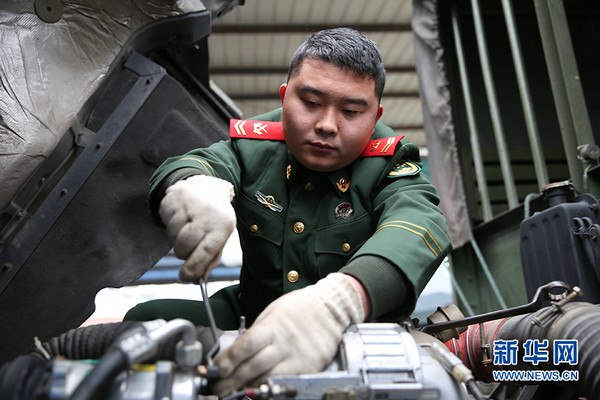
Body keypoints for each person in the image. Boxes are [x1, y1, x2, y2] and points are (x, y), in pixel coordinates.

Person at [124, 27, 451, 394]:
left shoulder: (389, 162)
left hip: (362, 326)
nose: (327, 125)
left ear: (375, 116)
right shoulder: (253, 147)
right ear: (285, 99)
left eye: (351, 111)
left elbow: (419, 224)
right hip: (254, 313)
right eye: (311, 103)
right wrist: (194, 186)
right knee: (143, 327)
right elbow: (196, 163)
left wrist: (341, 303)